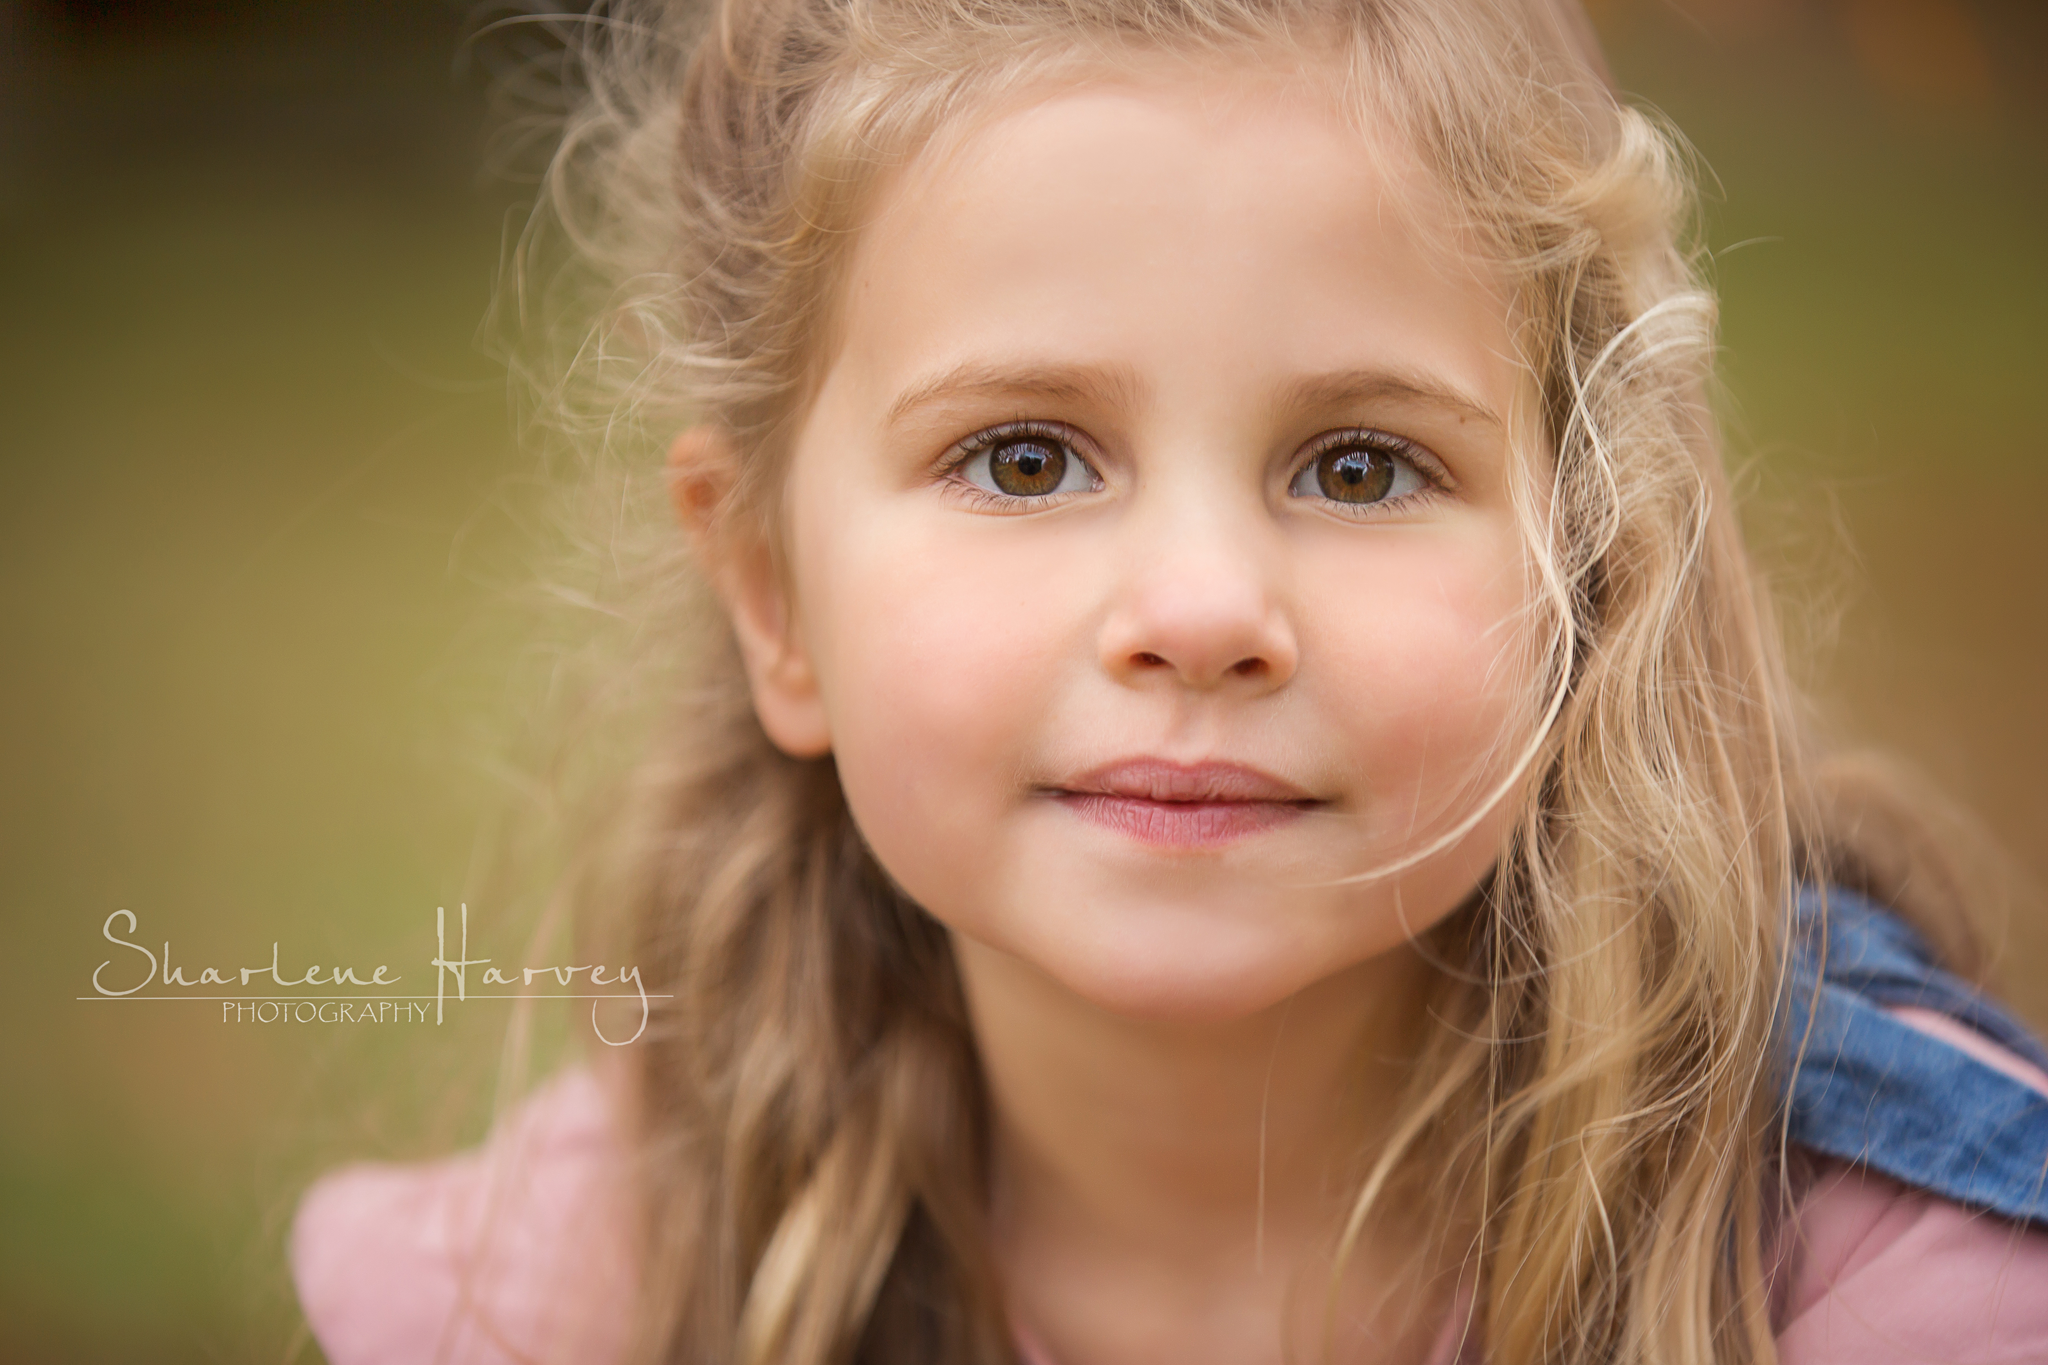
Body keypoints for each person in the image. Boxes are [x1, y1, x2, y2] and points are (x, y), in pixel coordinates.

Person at [288, 1, 2048, 1361]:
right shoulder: (580, 1293)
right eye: (1028, 460)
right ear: (772, 595)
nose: (1202, 613)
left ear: (1586, 565)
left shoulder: (1893, 1294)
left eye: (1359, 466)